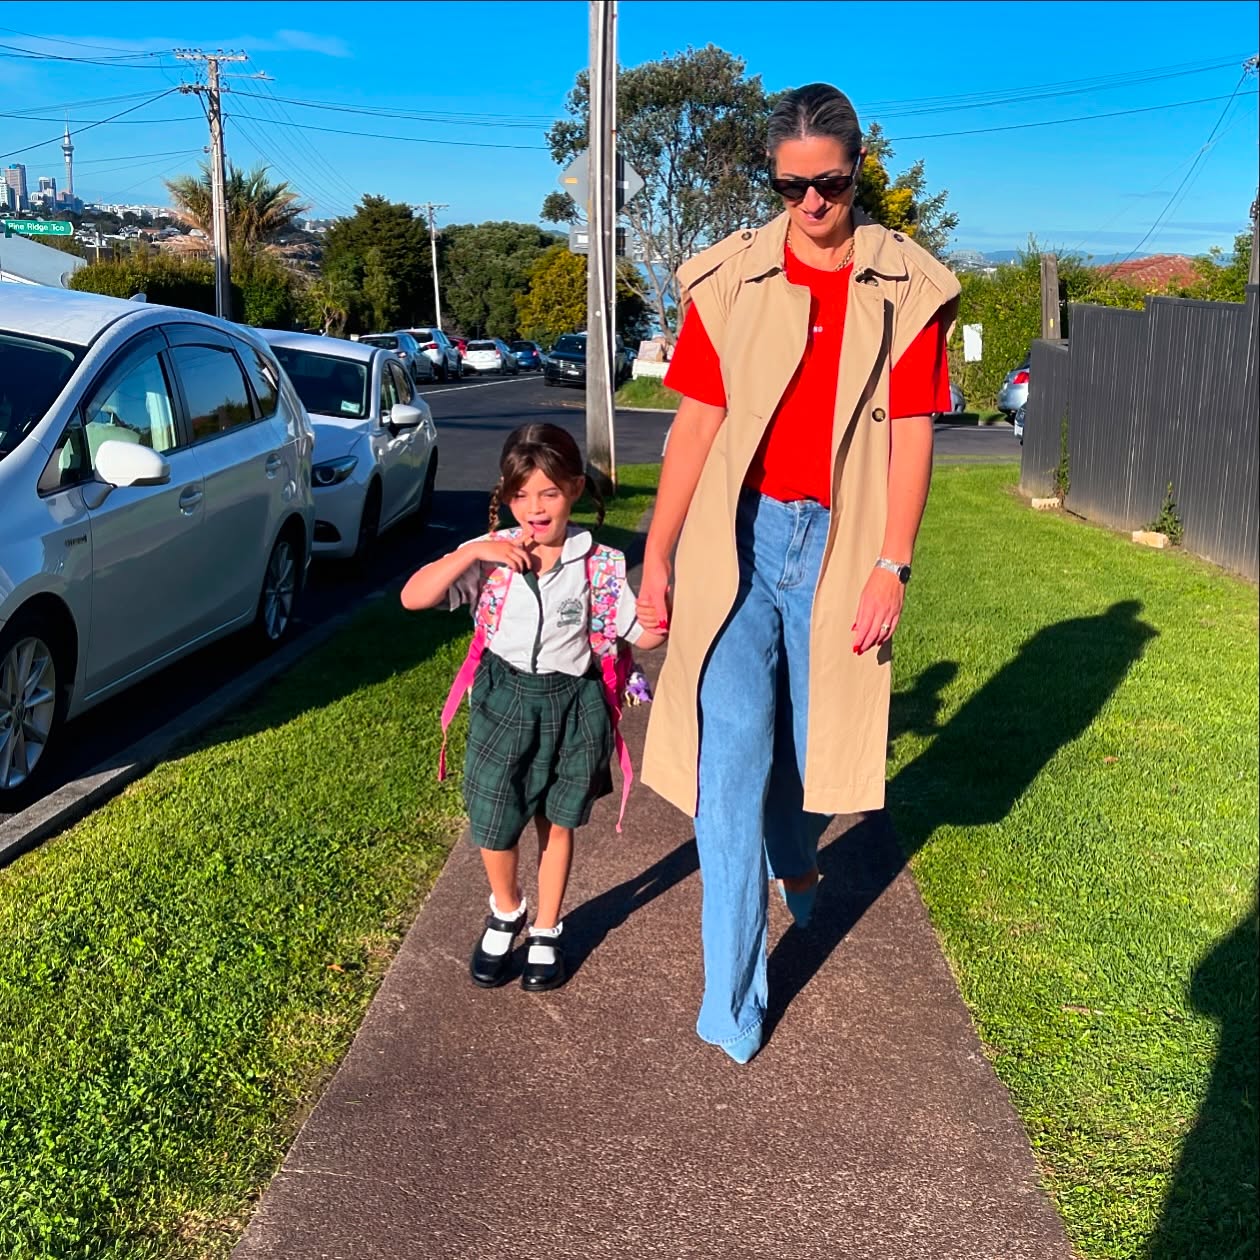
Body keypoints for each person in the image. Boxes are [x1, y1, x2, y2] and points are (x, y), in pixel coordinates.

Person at [637, 83, 962, 1064]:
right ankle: (730, 1007)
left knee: (820, 753)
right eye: (790, 186)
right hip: (735, 544)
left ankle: (797, 850)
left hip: (839, 545)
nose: (811, 205)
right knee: (730, 769)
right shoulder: (732, 280)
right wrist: (654, 558)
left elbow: (911, 436)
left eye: (828, 184)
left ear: (857, 171)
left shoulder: (907, 287)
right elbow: (693, 426)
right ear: (772, 181)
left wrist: (891, 565)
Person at [402, 423, 666, 993]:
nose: (534, 508)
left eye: (548, 492)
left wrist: (659, 615)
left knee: (558, 820)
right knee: (493, 821)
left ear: (574, 489)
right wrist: (475, 550)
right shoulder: (489, 557)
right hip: (503, 699)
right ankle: (507, 908)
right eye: (521, 495)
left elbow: (639, 635)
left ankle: (547, 927)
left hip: (573, 705)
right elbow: (413, 596)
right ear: (506, 495)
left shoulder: (598, 564)